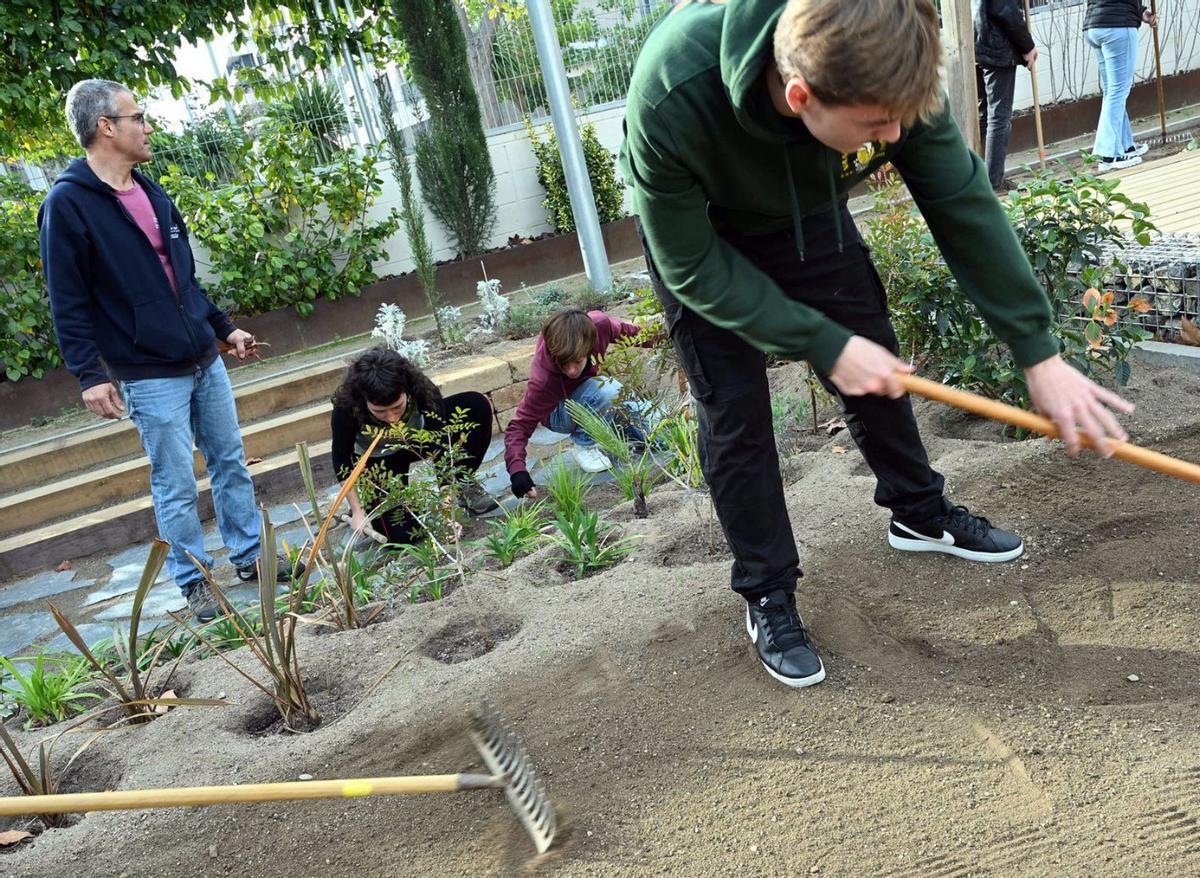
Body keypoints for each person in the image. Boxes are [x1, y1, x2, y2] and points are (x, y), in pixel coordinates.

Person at [620, 0, 1133, 689]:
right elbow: (691, 268)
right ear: (800, 95)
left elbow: (961, 200)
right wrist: (819, 342)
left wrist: (1037, 351)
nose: (894, 135)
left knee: (879, 362)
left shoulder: (891, 64)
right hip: (704, 240)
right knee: (734, 413)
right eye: (874, 125)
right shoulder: (673, 92)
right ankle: (768, 592)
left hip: (809, 219)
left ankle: (918, 514)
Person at [38, 79, 298, 623]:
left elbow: (185, 281)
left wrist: (224, 331)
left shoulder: (151, 190)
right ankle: (195, 581)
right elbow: (68, 300)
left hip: (202, 357)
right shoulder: (68, 205)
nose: (148, 125)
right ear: (105, 126)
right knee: (175, 481)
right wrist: (90, 374)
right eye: (138, 117)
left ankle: (251, 556)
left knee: (230, 460)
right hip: (147, 371)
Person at [331, 347, 499, 547]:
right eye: (380, 411)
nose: (392, 418)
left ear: (406, 391)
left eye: (397, 407)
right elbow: (341, 459)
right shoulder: (347, 407)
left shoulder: (422, 389)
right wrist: (358, 510)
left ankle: (460, 485)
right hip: (380, 461)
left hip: (419, 441)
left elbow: (441, 447)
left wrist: (446, 511)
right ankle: (382, 505)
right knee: (402, 536)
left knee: (476, 405)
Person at [505, 308, 646, 499]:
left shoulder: (598, 326)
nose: (571, 371)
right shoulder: (543, 379)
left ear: (588, 347)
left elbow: (632, 333)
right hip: (557, 412)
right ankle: (584, 445)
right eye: (564, 364)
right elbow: (520, 425)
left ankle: (613, 425)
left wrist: (670, 337)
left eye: (577, 361)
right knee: (609, 389)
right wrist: (517, 470)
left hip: (592, 397)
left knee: (659, 436)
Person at [1083, 0, 1158, 172]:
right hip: (1117, 26)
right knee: (1118, 92)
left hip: (1093, 26)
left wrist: (1141, 12)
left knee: (1112, 91)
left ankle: (1125, 146)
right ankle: (1108, 154)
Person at [973, 0, 1038, 192]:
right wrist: (1027, 45)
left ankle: (980, 179)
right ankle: (993, 183)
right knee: (998, 117)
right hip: (995, 47)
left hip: (975, 43)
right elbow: (1006, 9)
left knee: (985, 116)